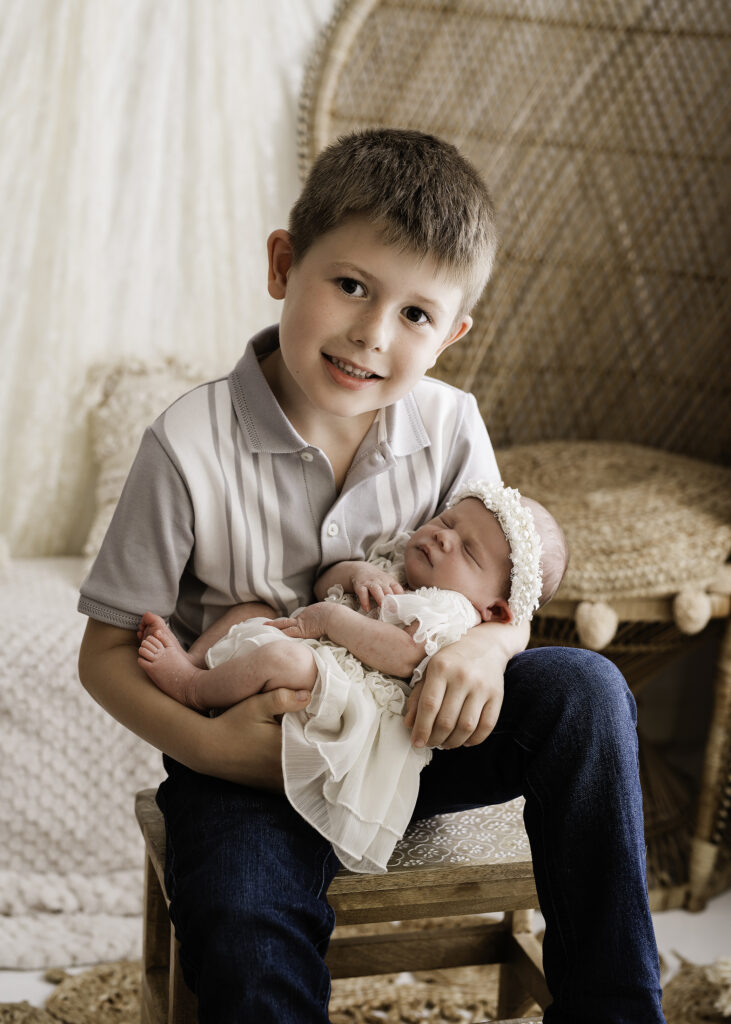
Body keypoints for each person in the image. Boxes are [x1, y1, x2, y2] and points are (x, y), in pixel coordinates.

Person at [78, 128, 665, 1022]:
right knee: (242, 923)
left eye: (415, 315)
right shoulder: (187, 445)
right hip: (256, 759)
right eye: (350, 285)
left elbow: (506, 575)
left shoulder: (449, 422)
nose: (371, 334)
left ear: (452, 333)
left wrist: (495, 647)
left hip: (414, 738)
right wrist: (208, 748)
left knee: (587, 687)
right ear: (284, 264)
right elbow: (107, 654)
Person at [136, 482, 567, 873]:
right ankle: (194, 662)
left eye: (468, 552)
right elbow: (326, 582)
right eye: (447, 521)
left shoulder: (453, 612)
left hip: (344, 695)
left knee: (286, 662)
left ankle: (191, 690)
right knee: (254, 610)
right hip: (312, 649)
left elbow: (401, 655)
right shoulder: (398, 558)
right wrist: (357, 573)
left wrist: (330, 619)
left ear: (494, 610)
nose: (443, 536)